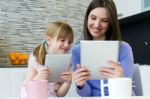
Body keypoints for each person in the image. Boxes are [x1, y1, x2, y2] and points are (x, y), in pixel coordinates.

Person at [71, 0, 134, 97]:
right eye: (93, 18)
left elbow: (125, 92)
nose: (97, 24)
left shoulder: (124, 49)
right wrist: (81, 85)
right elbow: (87, 95)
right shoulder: (76, 52)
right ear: (87, 18)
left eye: (104, 20)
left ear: (110, 23)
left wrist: (121, 79)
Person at [25, 21, 74, 97]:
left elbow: (59, 94)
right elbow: (27, 88)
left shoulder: (66, 62)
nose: (67, 45)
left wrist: (68, 83)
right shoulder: (36, 59)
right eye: (62, 40)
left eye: (70, 42)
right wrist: (38, 78)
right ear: (48, 40)